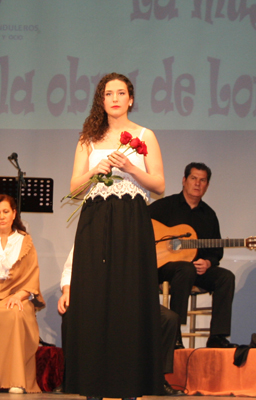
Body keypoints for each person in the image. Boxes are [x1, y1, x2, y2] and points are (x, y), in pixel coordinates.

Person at [65, 72, 165, 400]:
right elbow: (74, 189)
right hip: (95, 220)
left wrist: (131, 168)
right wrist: (97, 170)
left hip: (131, 221)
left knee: (129, 299)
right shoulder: (88, 137)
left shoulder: (145, 135)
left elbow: (160, 186)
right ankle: (93, 387)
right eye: (109, 94)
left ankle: (130, 388)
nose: (115, 99)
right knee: (93, 298)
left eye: (121, 93)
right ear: (102, 100)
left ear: (131, 99)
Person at [58, 246, 185, 396]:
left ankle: (158, 378)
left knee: (169, 319)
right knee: (70, 313)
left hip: (129, 299)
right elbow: (69, 269)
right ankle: (70, 378)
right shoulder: (89, 236)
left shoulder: (133, 236)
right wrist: (67, 291)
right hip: (95, 298)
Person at [148, 162, 237, 349]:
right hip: (163, 268)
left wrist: (208, 262)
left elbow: (216, 251)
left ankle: (217, 337)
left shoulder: (209, 215)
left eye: (203, 180)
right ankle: (174, 335)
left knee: (226, 277)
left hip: (195, 269)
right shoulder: (165, 206)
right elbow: (140, 227)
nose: (198, 183)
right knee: (185, 268)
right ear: (184, 180)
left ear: (207, 185)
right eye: (194, 178)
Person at [0, 194, 45, 394]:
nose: (1, 216)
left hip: (19, 296)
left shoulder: (25, 241)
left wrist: (19, 296)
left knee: (15, 314)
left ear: (14, 213)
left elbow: (32, 275)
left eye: (5, 211)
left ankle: (15, 380)